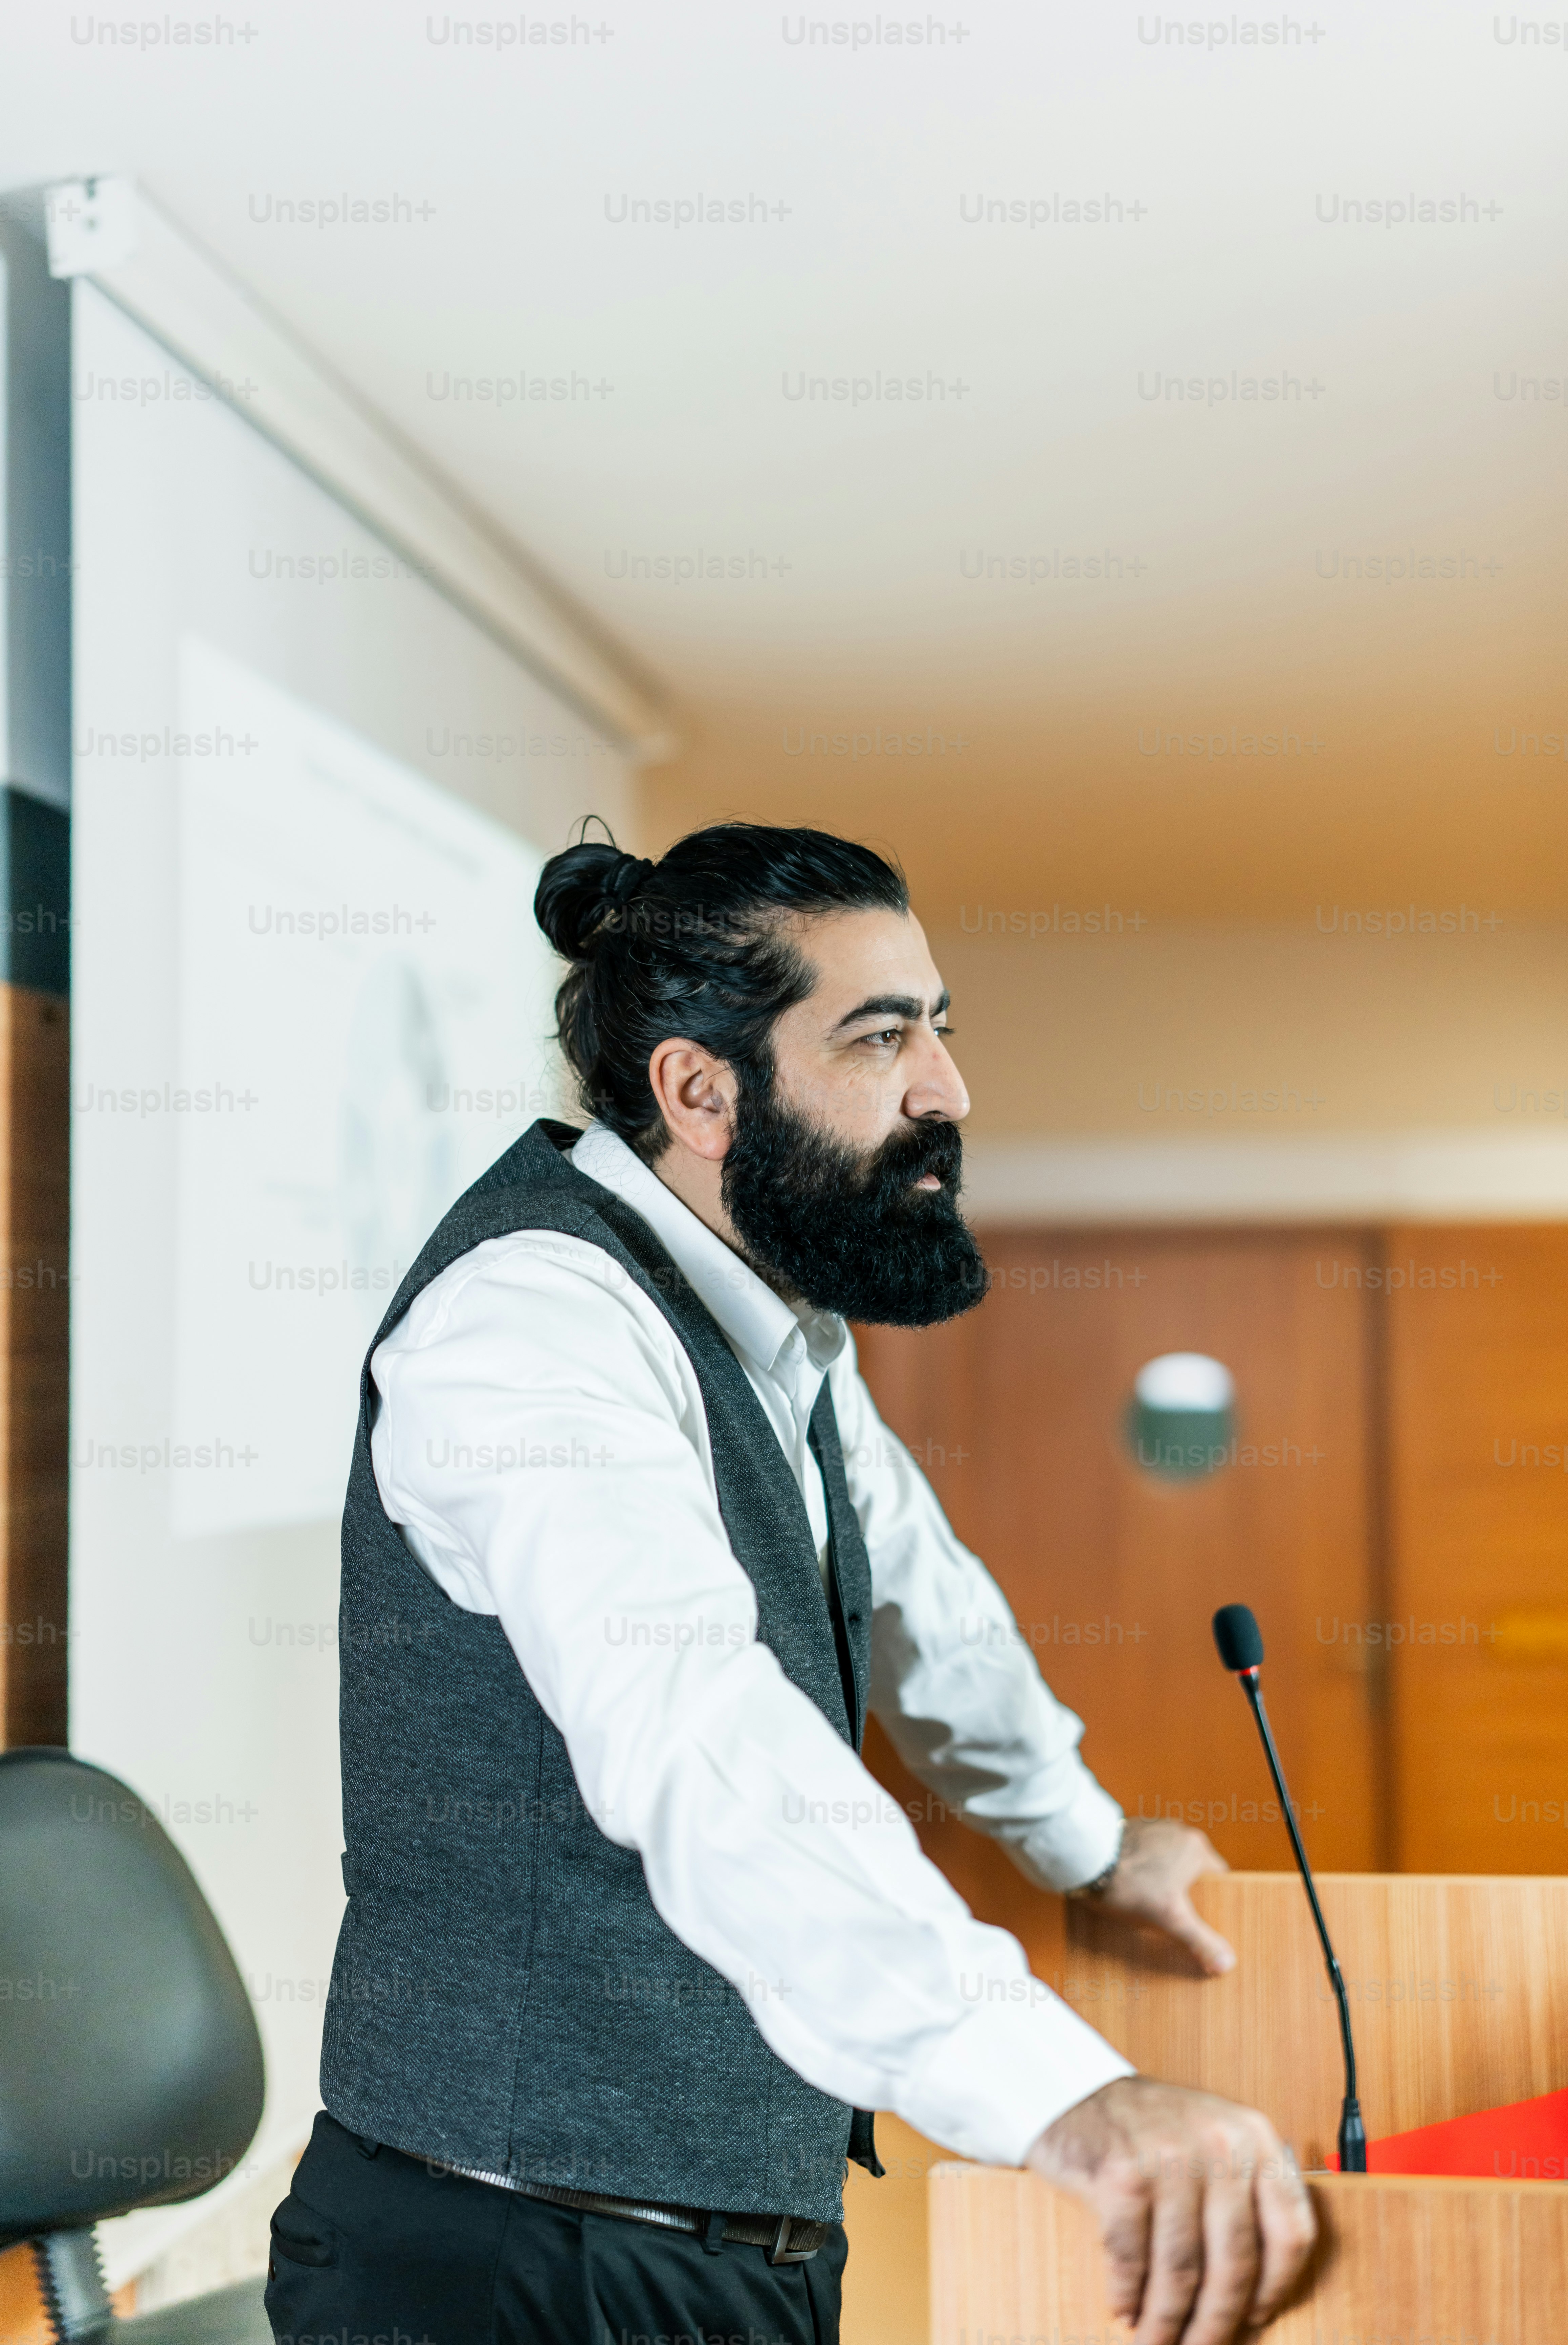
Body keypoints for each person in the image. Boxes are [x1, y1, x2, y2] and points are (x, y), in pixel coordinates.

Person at [268, 823, 1316, 2345]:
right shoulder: (534, 1324)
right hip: (512, 2271)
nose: (945, 1090)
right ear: (701, 1091)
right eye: (881, 1037)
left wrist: (1088, 1844)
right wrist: (1064, 2099)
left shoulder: (772, 1328)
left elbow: (921, 1603)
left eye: (938, 1029)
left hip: (724, 2240)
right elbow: (700, 1735)